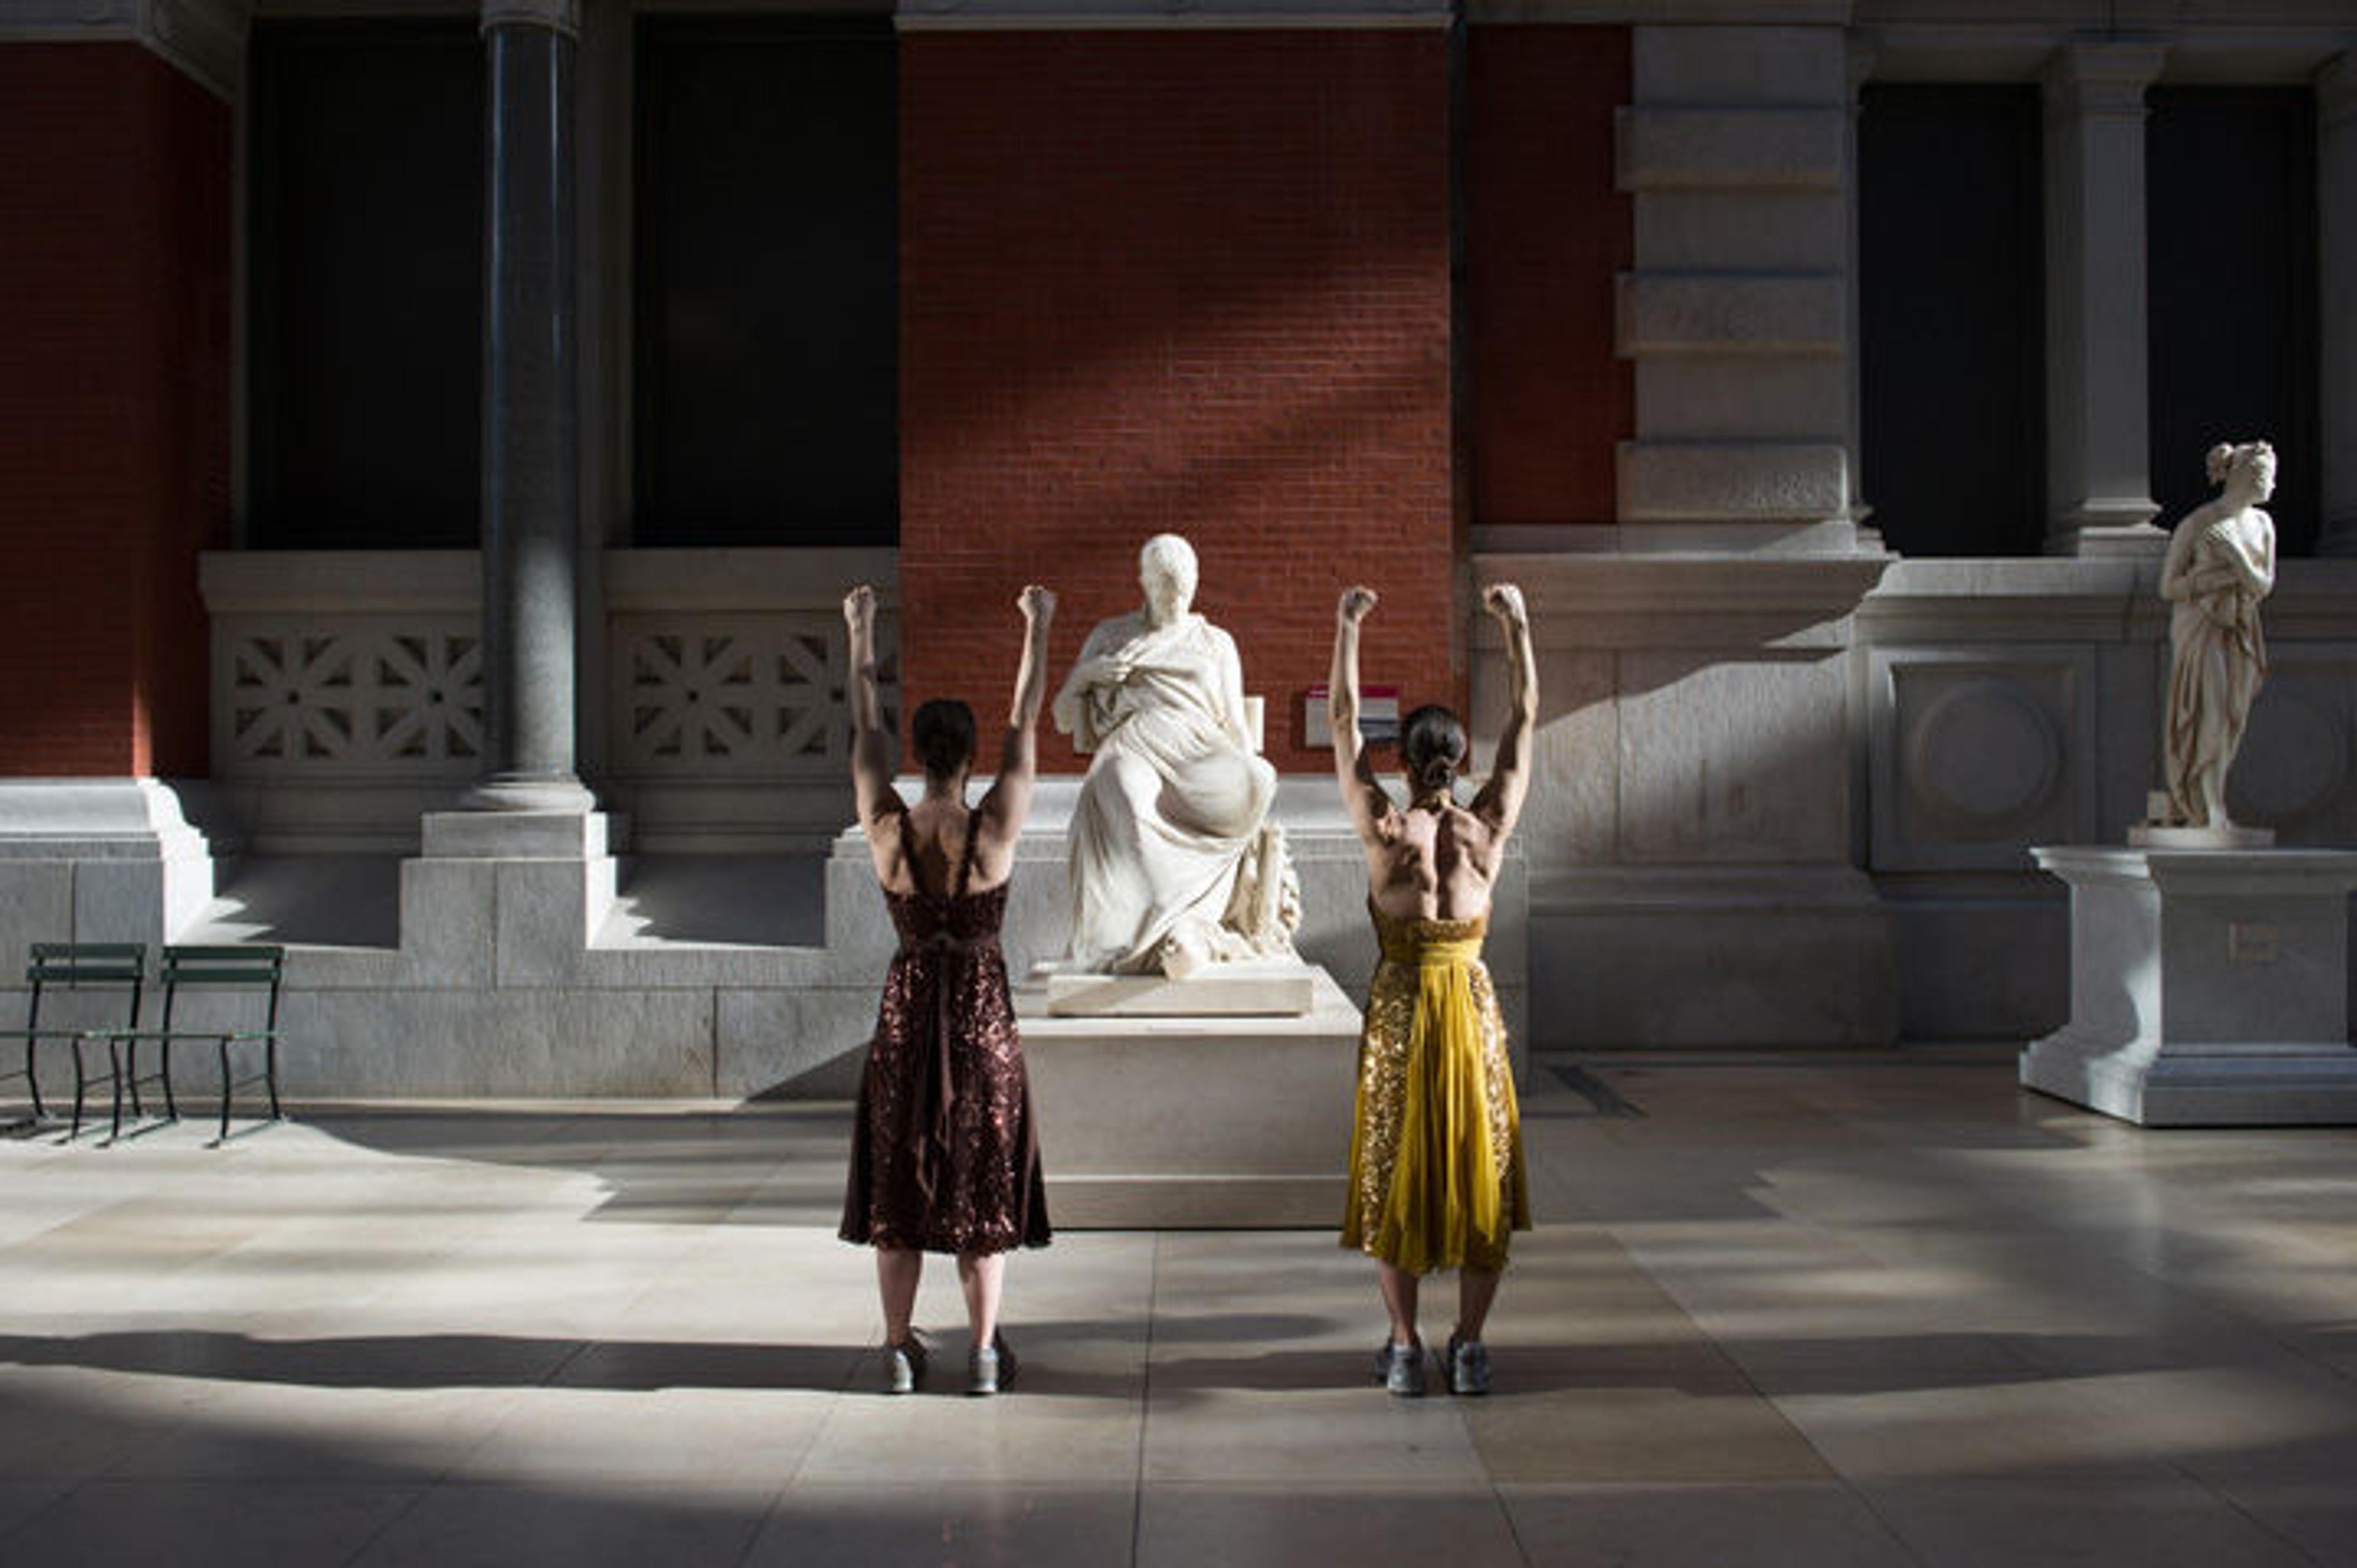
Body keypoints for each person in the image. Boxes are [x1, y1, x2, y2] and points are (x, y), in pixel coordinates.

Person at [838, 581, 1056, 1396]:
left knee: (901, 1177)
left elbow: (865, 727)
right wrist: (1037, 627)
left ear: (918, 753)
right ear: (967, 756)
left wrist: (861, 632)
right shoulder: (994, 822)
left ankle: (897, 1348)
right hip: (980, 1017)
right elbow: (1025, 722)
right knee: (980, 1176)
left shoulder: (887, 824)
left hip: (906, 1011)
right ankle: (987, 1349)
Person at [1329, 581, 1535, 1397]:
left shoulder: (1387, 830)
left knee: (1394, 1167)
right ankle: (1473, 1344)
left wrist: (1347, 626)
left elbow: (1343, 725)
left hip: (1402, 1006)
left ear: (1406, 761)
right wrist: (1516, 625)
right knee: (1479, 1165)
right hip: (1470, 1006)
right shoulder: (1486, 830)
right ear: (1456, 758)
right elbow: (1524, 721)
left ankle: (1407, 1345)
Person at [1050, 533, 1295, 976]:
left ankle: (1191, 919)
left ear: (1196, 583)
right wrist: (1086, 676)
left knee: (1257, 776)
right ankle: (1161, 921)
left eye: (1183, 590)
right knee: (1127, 792)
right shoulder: (1111, 635)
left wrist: (1245, 761)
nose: (1176, 601)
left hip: (1200, 750)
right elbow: (1064, 718)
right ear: (1144, 583)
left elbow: (1235, 722)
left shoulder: (1216, 642)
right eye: (1165, 591)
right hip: (1135, 747)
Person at [2159, 440, 2278, 831]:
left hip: (2241, 628)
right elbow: (2169, 587)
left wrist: (2237, 561)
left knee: (2232, 715)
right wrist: (2215, 580)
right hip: (2202, 629)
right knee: (2209, 709)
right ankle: (2210, 809)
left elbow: (2262, 585)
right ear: (2242, 476)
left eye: (2272, 476)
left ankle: (2215, 799)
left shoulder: (2262, 525)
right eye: (2264, 476)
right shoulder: (2198, 524)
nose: (2271, 484)